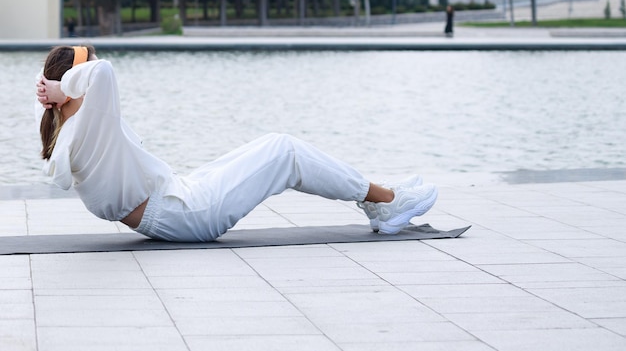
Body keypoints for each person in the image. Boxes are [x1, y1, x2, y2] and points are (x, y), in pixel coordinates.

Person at [35, 46, 438, 242]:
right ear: (69, 86)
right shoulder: (88, 124)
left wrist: (59, 90)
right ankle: (384, 202)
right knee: (286, 151)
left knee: (271, 143)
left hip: (175, 199)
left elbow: (97, 75)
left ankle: (376, 199)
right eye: (79, 74)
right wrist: (61, 85)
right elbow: (103, 72)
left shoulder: (71, 132)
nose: (90, 73)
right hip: (182, 213)